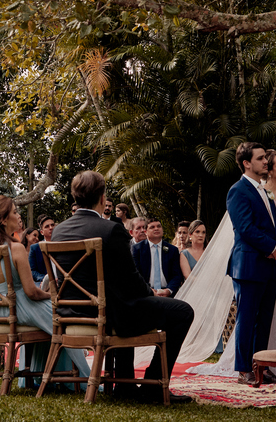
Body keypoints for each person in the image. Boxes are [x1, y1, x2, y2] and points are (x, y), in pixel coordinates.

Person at [51, 171, 193, 404]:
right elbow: (130, 278)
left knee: (126, 303)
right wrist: (150, 292)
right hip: (109, 315)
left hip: (69, 313)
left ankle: (125, 385)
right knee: (182, 311)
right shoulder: (110, 229)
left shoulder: (59, 231)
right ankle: (154, 386)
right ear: (102, 198)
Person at [196, 143, 276, 385]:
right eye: (260, 158)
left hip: (270, 264)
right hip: (248, 265)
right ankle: (243, 370)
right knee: (247, 318)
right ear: (247, 163)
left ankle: (262, 366)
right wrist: (272, 247)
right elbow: (245, 229)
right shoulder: (238, 191)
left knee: (265, 319)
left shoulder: (265, 191)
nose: (266, 162)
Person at [0, 195, 90, 387]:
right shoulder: (16, 248)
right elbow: (31, 292)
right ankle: (83, 379)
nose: (18, 216)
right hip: (17, 308)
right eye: (14, 212)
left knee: (46, 316)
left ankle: (46, 377)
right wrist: (52, 296)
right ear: (3, 220)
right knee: (60, 315)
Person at [131, 219, 183, 297]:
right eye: (152, 227)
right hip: (145, 293)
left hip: (168, 293)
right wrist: (149, 290)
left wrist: (169, 290)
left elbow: (177, 275)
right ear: (145, 232)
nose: (156, 229)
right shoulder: (137, 249)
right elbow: (136, 274)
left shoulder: (172, 250)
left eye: (159, 226)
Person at [27, 215, 55, 285]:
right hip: (44, 282)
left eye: (52, 225)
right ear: (42, 232)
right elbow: (32, 271)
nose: (51, 228)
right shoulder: (35, 248)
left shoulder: (62, 244)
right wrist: (45, 279)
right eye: (47, 226)